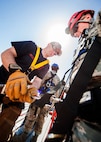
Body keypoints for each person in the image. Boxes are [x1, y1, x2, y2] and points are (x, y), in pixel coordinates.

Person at [46, 9, 101, 142]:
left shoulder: (97, 29)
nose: (74, 34)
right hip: (80, 106)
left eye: (75, 28)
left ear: (87, 17)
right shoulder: (83, 43)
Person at [0, 41, 62, 142]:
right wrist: (15, 72)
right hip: (2, 80)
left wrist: (32, 91)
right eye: (54, 50)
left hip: (17, 91)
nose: (53, 53)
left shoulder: (46, 66)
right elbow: (6, 54)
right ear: (49, 44)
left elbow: (37, 81)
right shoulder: (30, 46)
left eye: (55, 53)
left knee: (14, 112)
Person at [10, 63, 61, 142]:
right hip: (46, 104)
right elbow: (57, 94)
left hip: (38, 100)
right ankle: (35, 138)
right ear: (57, 69)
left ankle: (23, 137)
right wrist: (51, 104)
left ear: (52, 67)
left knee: (31, 118)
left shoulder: (46, 73)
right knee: (41, 120)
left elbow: (38, 84)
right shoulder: (58, 80)